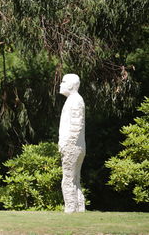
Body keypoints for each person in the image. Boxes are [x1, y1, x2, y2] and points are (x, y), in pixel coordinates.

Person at [58, 74, 86, 213]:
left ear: (70, 85)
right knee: (75, 180)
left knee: (68, 180)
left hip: (72, 146)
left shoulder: (75, 100)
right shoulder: (74, 100)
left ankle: (70, 209)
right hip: (76, 147)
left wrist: (67, 144)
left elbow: (76, 125)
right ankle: (79, 209)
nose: (60, 84)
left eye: (63, 82)